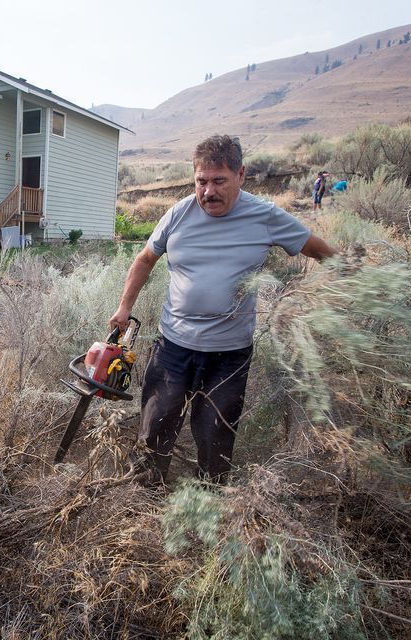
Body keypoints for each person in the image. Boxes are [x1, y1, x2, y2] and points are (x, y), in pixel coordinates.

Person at [109, 135, 336, 485]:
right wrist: (125, 307)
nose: (208, 192)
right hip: (174, 346)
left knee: (215, 436)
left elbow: (315, 248)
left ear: (241, 175)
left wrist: (352, 275)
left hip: (228, 354)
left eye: (219, 181)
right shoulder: (179, 214)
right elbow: (144, 259)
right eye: (201, 181)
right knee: (154, 426)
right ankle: (146, 497)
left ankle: (208, 505)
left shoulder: (265, 216)